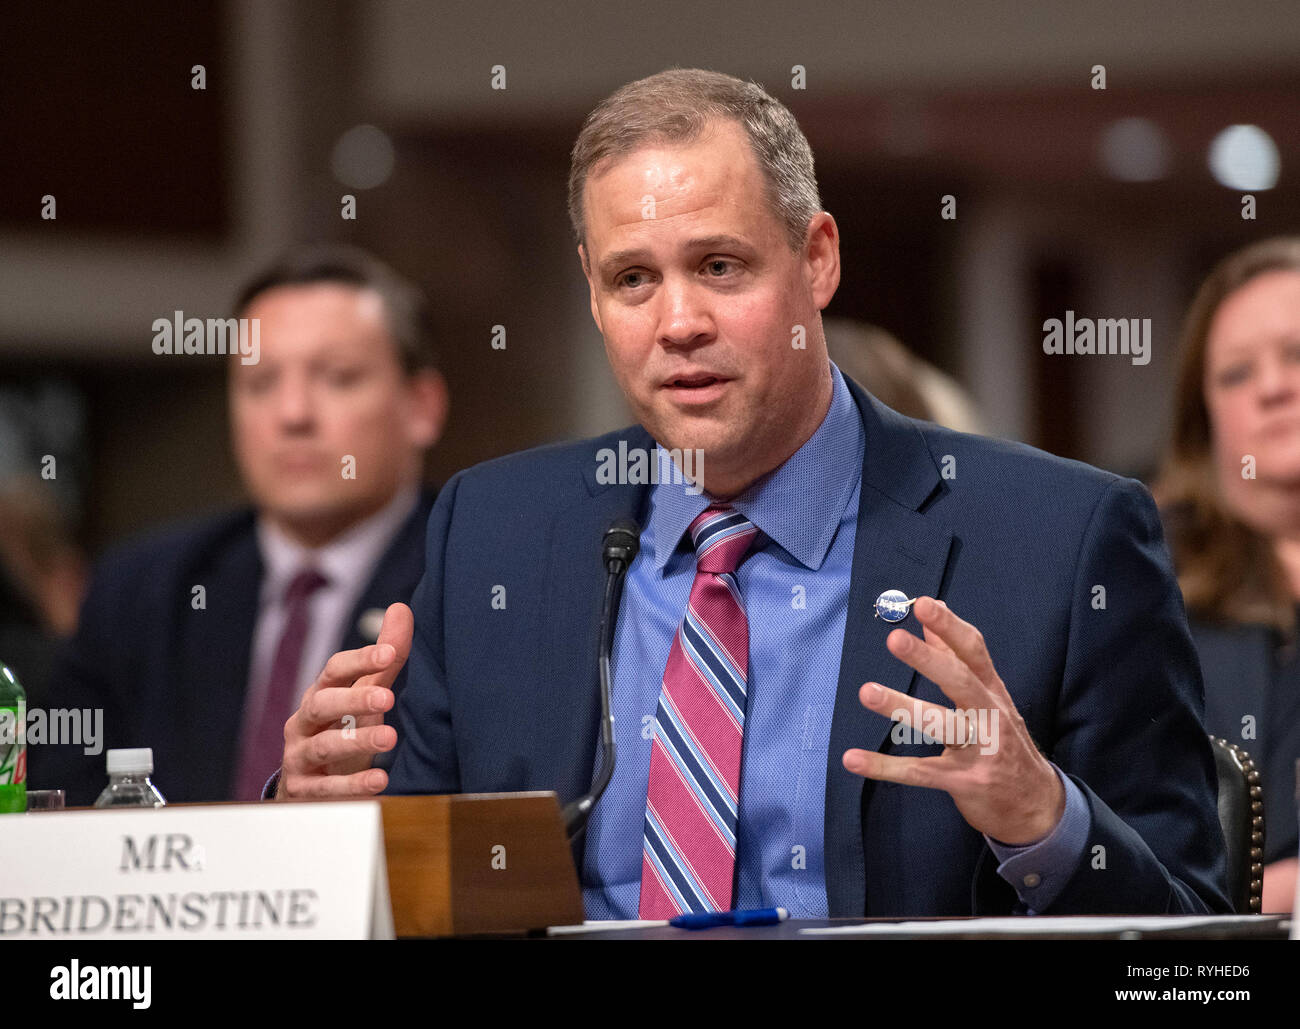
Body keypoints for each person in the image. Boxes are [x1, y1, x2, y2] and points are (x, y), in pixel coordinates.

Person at [275, 70, 1229, 918]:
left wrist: (1044, 819)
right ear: (593, 294)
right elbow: (414, 884)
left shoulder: (1060, 542)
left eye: (719, 267)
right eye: (633, 279)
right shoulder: (496, 532)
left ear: (816, 259)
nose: (678, 322)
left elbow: (1196, 955)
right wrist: (312, 814)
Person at [30, 246, 448, 805]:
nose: (293, 414)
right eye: (260, 383)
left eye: (339, 378)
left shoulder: (472, 577)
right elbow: (55, 812)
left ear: (421, 406)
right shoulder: (139, 589)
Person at [1154, 236, 1300, 913]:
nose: (1273, 387)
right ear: (1203, 413)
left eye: (1296, 354)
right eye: (1237, 373)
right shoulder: (1146, 583)